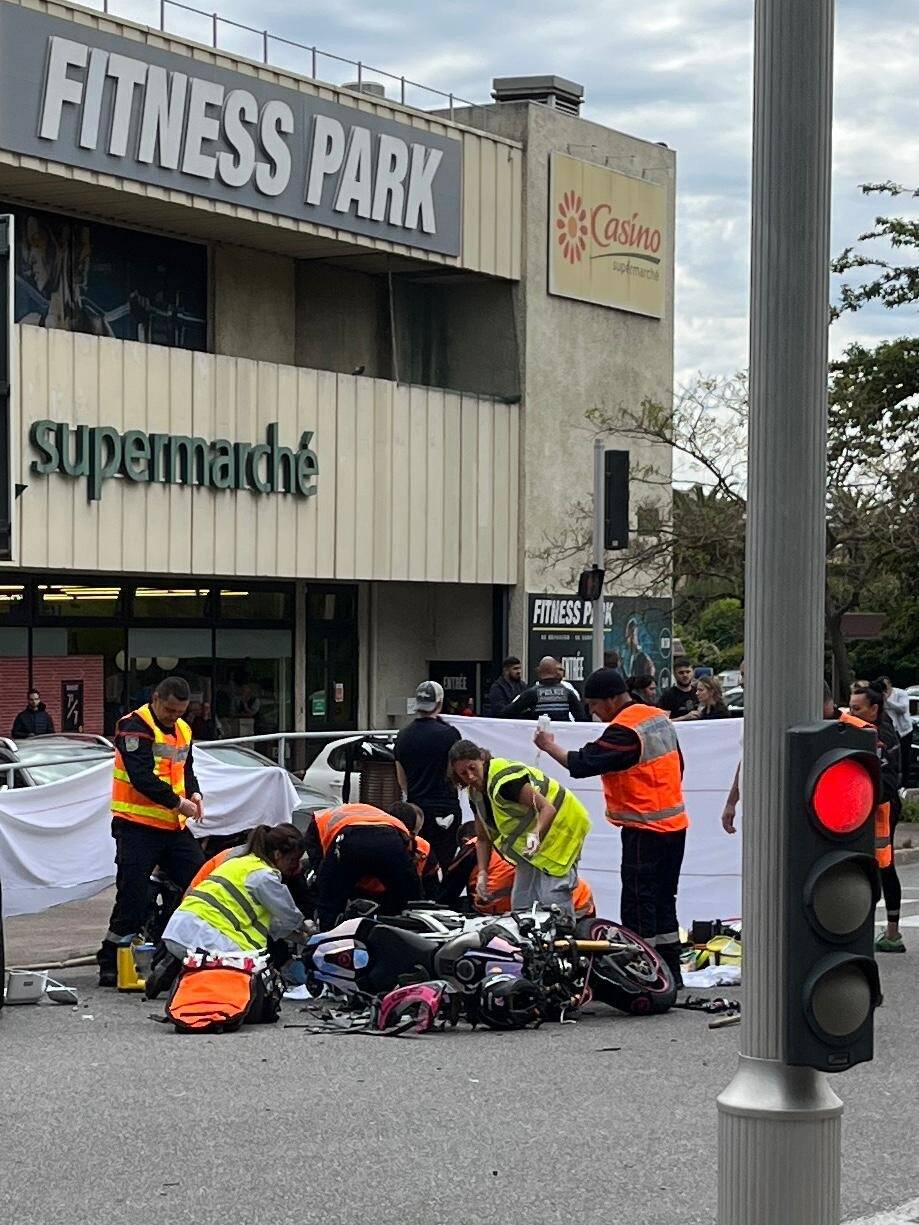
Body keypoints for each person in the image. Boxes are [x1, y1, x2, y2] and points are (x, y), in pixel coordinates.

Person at [534, 667, 688, 986]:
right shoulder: (657, 718)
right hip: (674, 826)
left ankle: (648, 974)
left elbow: (582, 763)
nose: (592, 711)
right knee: (663, 901)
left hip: (645, 829)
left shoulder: (626, 730)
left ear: (612, 698)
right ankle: (671, 972)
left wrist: (549, 746)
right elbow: (679, 765)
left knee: (638, 903)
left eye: (594, 704)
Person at [96, 676, 206, 987]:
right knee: (132, 893)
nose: (174, 716)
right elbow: (141, 777)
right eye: (170, 710)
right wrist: (179, 803)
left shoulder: (184, 729)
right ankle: (111, 959)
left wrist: (195, 795)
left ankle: (174, 946)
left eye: (180, 711)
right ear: (156, 699)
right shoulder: (134, 725)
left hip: (172, 827)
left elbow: (186, 770)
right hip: (137, 826)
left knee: (201, 884)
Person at [447, 738, 591, 920]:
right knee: (521, 903)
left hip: (561, 827)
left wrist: (535, 834)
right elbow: (483, 838)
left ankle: (562, 938)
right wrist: (483, 873)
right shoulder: (475, 794)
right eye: (463, 773)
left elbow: (547, 808)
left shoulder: (505, 782)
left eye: (472, 768)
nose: (470, 776)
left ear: (481, 760)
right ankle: (530, 942)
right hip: (531, 846)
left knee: (552, 898)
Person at [162, 824, 310, 959]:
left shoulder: (240, 862)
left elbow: (271, 923)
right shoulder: (264, 875)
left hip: (181, 929)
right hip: (207, 936)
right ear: (278, 854)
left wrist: (296, 936)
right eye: (292, 860)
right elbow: (288, 913)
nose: (295, 867)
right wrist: (306, 928)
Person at [306, 802, 422, 930]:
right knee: (410, 900)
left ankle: (327, 938)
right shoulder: (392, 824)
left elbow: (324, 874)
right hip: (388, 841)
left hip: (348, 839)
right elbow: (405, 872)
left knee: (329, 901)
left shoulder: (321, 820)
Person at [850, 684, 904, 953]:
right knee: (870, 868)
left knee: (883, 867)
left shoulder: (882, 737)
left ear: (874, 709)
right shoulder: (859, 731)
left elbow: (888, 781)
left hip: (882, 808)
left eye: (857, 709)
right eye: (850, 708)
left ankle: (892, 933)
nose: (852, 713)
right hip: (865, 807)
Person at [394, 681, 463, 869]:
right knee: (445, 862)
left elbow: (401, 779)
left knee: (420, 861)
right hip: (445, 806)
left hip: (417, 809)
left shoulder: (403, 736)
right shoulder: (450, 734)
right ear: (439, 703)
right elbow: (457, 772)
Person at [500, 656, 589, 722]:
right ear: (556, 673)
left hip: (540, 738)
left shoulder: (532, 693)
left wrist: (527, 715)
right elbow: (581, 719)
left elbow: (506, 713)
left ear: (539, 672)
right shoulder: (567, 693)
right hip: (563, 738)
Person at [720, 660, 746, 835]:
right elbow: (746, 759)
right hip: (751, 805)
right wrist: (731, 801)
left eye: (744, 675)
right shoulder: (751, 714)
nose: (741, 682)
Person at [874, 676, 913, 787]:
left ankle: (904, 784)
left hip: (904, 730)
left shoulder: (901, 693)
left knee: (905, 757)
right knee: (891, 757)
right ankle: (894, 782)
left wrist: (887, 701)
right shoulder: (880, 695)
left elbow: (903, 708)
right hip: (890, 731)